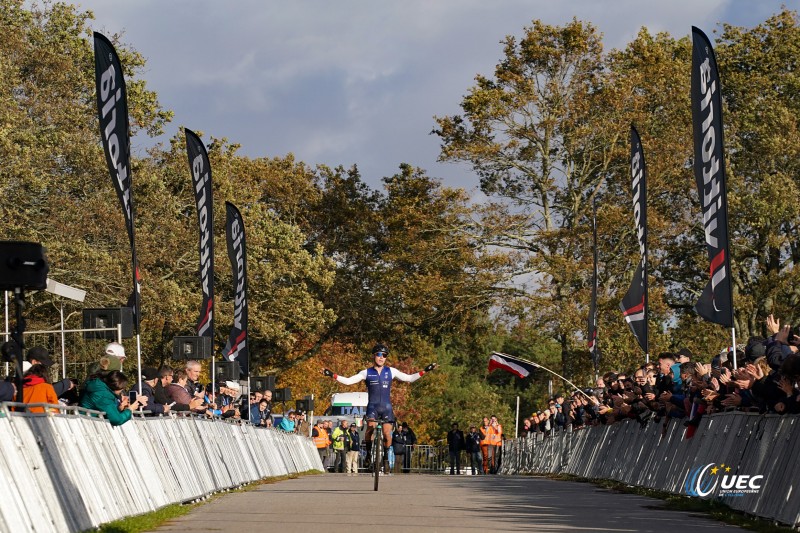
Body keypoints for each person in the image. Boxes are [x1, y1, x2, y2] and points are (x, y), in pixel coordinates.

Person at [322, 343, 436, 473]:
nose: (381, 357)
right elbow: (349, 381)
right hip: (372, 407)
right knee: (370, 428)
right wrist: (331, 374)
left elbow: (409, 378)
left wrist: (426, 370)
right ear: (374, 356)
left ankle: (386, 457)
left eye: (384, 355)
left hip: (386, 408)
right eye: (379, 355)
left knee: (388, 435)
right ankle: (369, 455)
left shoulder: (391, 371)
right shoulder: (366, 372)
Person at [79, 370, 147, 426]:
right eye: (122, 389)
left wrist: (119, 408)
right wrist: (130, 410)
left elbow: (106, 409)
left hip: (89, 421)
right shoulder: (103, 395)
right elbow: (117, 420)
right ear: (116, 387)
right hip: (87, 424)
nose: (121, 391)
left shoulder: (101, 388)